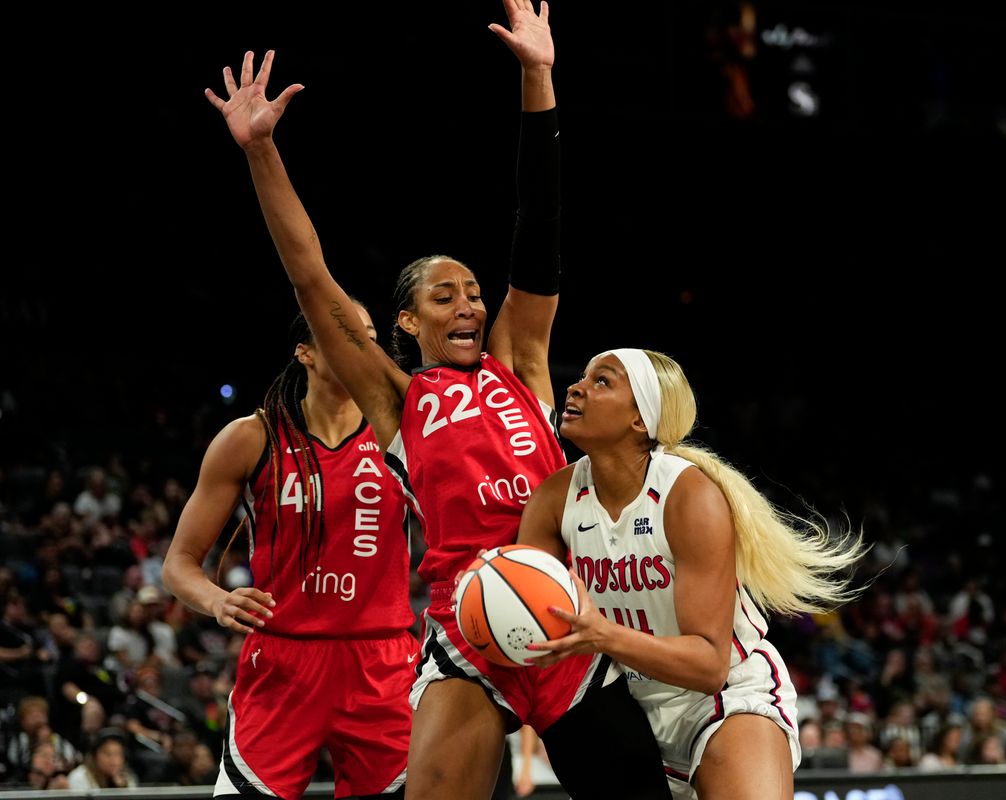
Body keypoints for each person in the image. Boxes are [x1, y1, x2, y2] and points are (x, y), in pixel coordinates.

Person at [202, 3, 670, 800]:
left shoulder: (519, 361)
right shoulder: (397, 399)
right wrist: (262, 153)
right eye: (444, 295)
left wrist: (538, 77)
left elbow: (538, 228)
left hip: (566, 607)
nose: (467, 304)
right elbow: (309, 275)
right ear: (406, 322)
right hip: (468, 626)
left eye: (474, 293)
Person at [516, 349, 867, 799]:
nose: (576, 387)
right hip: (625, 710)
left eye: (602, 381)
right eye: (582, 377)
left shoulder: (687, 495)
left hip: (722, 702)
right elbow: (526, 611)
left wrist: (603, 636)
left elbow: (708, 664)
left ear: (640, 420)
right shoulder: (555, 497)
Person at [163, 305, 417, 800]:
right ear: (305, 352)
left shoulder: (406, 432)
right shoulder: (250, 437)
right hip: (282, 662)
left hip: (382, 664)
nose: (359, 349)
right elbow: (179, 563)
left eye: (368, 338)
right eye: (342, 336)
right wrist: (216, 600)